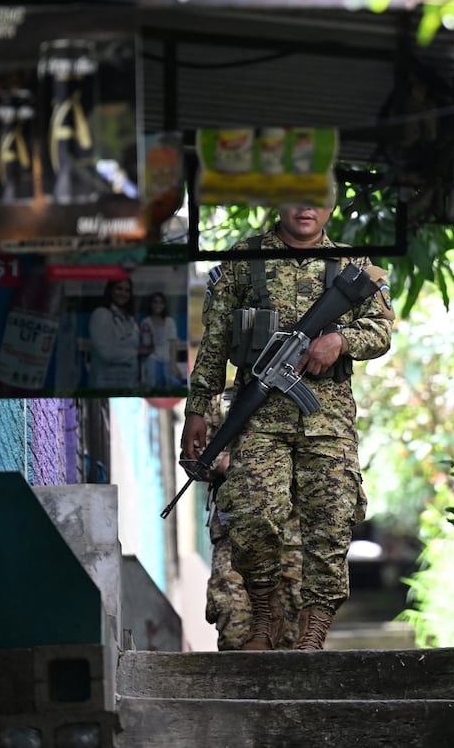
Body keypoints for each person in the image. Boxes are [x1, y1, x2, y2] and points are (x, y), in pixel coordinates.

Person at [181, 199, 395, 651]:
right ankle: (264, 614)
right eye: (297, 198)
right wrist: (198, 410)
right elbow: (215, 341)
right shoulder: (244, 260)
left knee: (331, 522)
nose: (306, 209)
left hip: (328, 416)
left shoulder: (352, 263)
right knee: (252, 515)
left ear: (332, 203)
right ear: (278, 201)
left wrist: (339, 340)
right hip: (258, 417)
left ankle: (314, 630)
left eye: (318, 198)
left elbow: (381, 331)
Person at [201, 394, 303, 650]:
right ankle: (236, 689)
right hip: (234, 533)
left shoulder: (305, 394)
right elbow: (196, 454)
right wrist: (228, 462)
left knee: (287, 634)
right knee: (233, 621)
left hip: (291, 536)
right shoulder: (221, 401)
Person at [88, 277, 150, 389]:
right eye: (119, 289)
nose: (123, 293)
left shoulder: (129, 318)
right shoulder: (101, 314)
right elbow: (106, 353)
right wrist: (137, 352)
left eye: (127, 290)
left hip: (129, 383)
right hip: (106, 384)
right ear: (110, 290)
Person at [139, 291, 182, 389]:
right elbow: (143, 345)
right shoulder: (146, 322)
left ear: (164, 305)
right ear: (151, 304)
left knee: (170, 383)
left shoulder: (170, 322)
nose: (158, 304)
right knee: (152, 384)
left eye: (160, 302)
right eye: (155, 302)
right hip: (152, 358)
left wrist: (173, 364)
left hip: (167, 359)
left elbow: (173, 344)